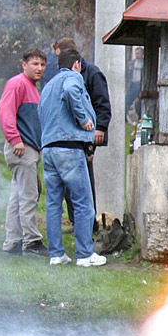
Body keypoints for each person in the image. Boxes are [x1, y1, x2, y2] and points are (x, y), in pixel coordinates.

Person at [39, 48, 106, 267]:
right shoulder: (72, 77)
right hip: (69, 148)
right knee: (83, 203)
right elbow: (70, 90)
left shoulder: (48, 86)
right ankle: (85, 255)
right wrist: (83, 118)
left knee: (53, 204)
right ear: (77, 63)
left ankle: (56, 255)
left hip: (48, 150)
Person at [53, 38, 112, 231]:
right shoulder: (66, 76)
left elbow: (102, 103)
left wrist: (100, 128)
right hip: (72, 135)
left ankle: (89, 224)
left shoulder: (92, 74)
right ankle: (76, 220)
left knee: (85, 180)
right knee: (70, 182)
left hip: (88, 134)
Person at [0, 49, 49, 258]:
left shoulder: (33, 88)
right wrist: (15, 139)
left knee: (18, 196)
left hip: (29, 148)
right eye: (35, 64)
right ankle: (31, 242)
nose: (39, 68)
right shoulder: (17, 83)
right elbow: (5, 111)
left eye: (42, 65)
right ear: (24, 64)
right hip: (21, 147)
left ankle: (13, 241)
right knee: (28, 196)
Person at [125, 46, 144, 120]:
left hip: (140, 85)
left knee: (139, 103)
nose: (137, 55)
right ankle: (125, 118)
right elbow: (127, 76)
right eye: (136, 53)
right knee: (127, 101)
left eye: (138, 53)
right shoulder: (131, 63)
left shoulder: (144, 63)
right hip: (132, 85)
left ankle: (140, 118)